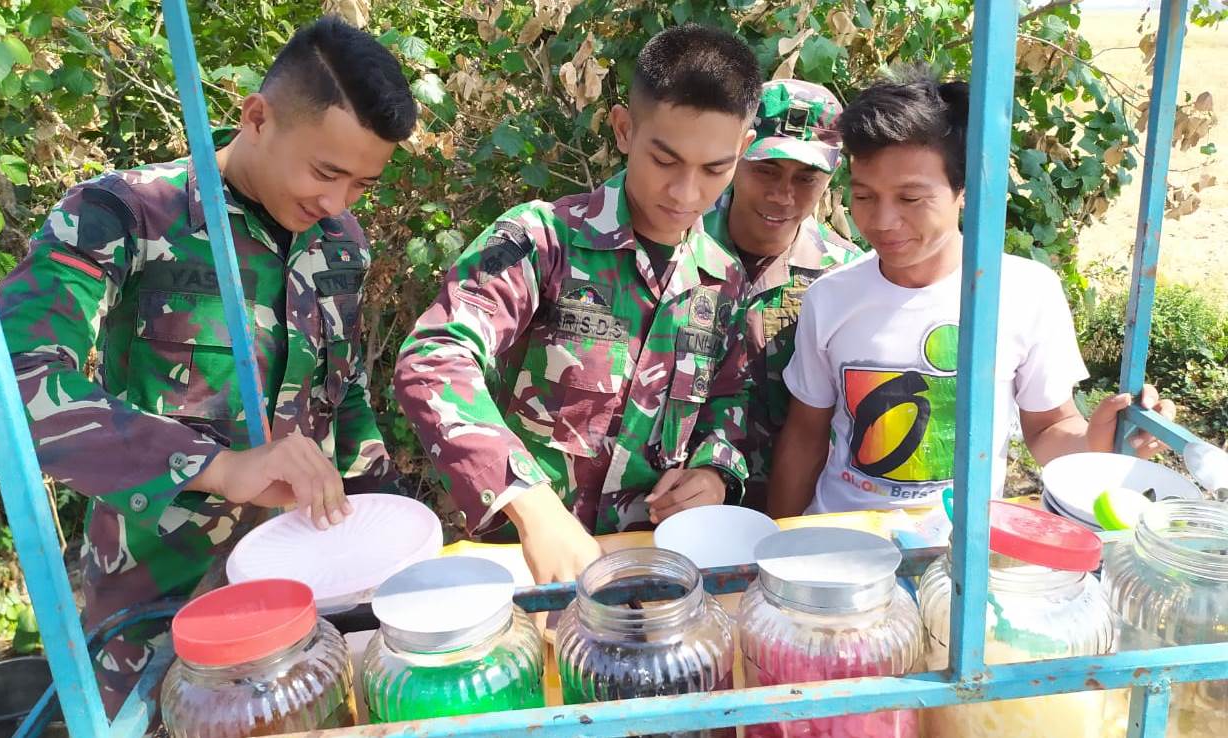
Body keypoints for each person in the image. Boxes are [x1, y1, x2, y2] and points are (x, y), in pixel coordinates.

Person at [0, 16, 417, 713]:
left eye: (362, 184)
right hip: (160, 619)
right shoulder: (126, 213)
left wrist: (389, 521)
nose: (336, 202)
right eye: (325, 172)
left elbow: (343, 391)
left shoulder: (339, 242)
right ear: (257, 117)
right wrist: (218, 467)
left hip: (312, 610)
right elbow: (6, 383)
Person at [394, 24, 762, 584]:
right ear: (624, 129)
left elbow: (729, 399)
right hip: (531, 565)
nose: (686, 193)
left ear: (742, 150)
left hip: (651, 568)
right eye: (665, 160)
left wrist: (713, 472)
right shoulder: (543, 241)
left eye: (715, 169)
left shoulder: (724, 281)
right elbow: (435, 356)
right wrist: (531, 503)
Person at [768, 68, 1176, 517]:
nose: (882, 221)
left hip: (959, 544)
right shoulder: (831, 296)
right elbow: (805, 435)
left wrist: (1099, 441)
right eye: (864, 197)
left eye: (910, 199)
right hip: (844, 535)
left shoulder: (1023, 292)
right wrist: (777, 539)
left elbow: (1048, 427)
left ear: (962, 190)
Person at [701, 79, 861, 511]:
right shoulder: (680, 245)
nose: (782, 196)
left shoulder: (846, 280)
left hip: (792, 511)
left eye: (807, 178)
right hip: (676, 503)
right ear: (737, 155)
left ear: (831, 177)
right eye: (766, 170)